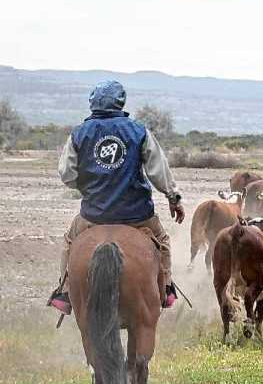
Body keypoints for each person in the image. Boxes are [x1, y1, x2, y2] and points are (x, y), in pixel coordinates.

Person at [49, 80, 185, 314]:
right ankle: (167, 288)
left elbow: (67, 174)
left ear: (93, 103)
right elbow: (158, 171)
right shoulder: (139, 131)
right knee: (162, 239)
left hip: (94, 215)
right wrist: (173, 198)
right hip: (137, 215)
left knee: (70, 241)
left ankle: (65, 291)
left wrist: (87, 185)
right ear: (121, 102)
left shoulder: (79, 133)